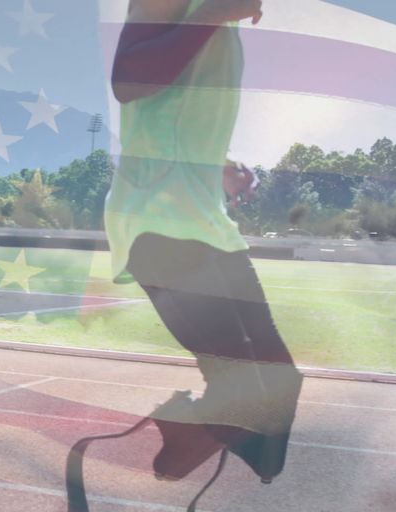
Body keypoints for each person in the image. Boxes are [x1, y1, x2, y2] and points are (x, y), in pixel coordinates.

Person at [105, 0, 304, 484]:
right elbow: (128, 80)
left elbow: (176, 110)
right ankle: (189, 430)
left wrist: (219, 164)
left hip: (202, 222)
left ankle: (191, 430)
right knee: (248, 391)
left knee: (279, 390)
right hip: (160, 222)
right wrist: (212, 13)